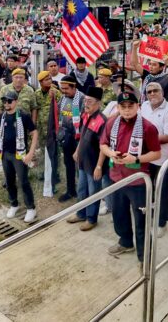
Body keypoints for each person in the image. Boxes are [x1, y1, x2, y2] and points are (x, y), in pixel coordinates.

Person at [99, 91, 161, 264]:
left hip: (138, 181)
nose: (127, 110)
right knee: (119, 215)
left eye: (130, 106)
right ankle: (126, 242)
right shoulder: (112, 122)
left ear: (138, 107)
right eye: (123, 107)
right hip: (116, 177)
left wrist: (136, 159)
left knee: (141, 220)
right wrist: (112, 153)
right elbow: (103, 144)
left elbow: (156, 153)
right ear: (117, 107)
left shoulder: (147, 127)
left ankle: (144, 257)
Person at [0, 89, 38, 223]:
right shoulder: (2, 116)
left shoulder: (23, 115)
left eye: (9, 101)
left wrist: (30, 153)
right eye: (4, 101)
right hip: (5, 154)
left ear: (16, 101)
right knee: (9, 181)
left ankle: (31, 208)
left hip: (20, 154)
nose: (6, 104)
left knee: (23, 181)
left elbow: (34, 133)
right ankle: (14, 204)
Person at [140, 81, 168, 237]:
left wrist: (144, 140)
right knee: (147, 186)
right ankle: (149, 214)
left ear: (162, 92)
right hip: (147, 156)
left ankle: (162, 223)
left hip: (164, 158)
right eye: (149, 92)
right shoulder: (144, 106)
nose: (152, 94)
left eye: (155, 90)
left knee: (161, 189)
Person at [67, 86, 107, 230]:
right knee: (82, 189)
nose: (86, 103)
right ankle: (80, 213)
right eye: (85, 100)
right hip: (83, 161)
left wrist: (99, 166)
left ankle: (91, 219)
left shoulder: (102, 121)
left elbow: (104, 146)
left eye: (90, 101)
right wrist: (77, 150)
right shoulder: (85, 115)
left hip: (94, 164)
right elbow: (83, 135)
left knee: (93, 192)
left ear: (98, 103)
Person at [57, 75, 84, 202]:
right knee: (68, 164)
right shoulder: (63, 98)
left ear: (74, 87)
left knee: (81, 167)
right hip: (66, 137)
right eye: (62, 88)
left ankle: (82, 193)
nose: (64, 91)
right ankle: (70, 191)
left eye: (66, 88)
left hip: (80, 138)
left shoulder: (83, 99)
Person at [35, 71, 61, 196]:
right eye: (46, 80)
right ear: (40, 82)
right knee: (43, 153)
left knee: (54, 155)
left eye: (50, 79)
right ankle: (44, 173)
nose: (49, 81)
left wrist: (53, 97)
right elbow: (36, 109)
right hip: (42, 129)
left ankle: (54, 178)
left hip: (53, 130)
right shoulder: (37, 94)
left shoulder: (56, 92)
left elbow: (61, 107)